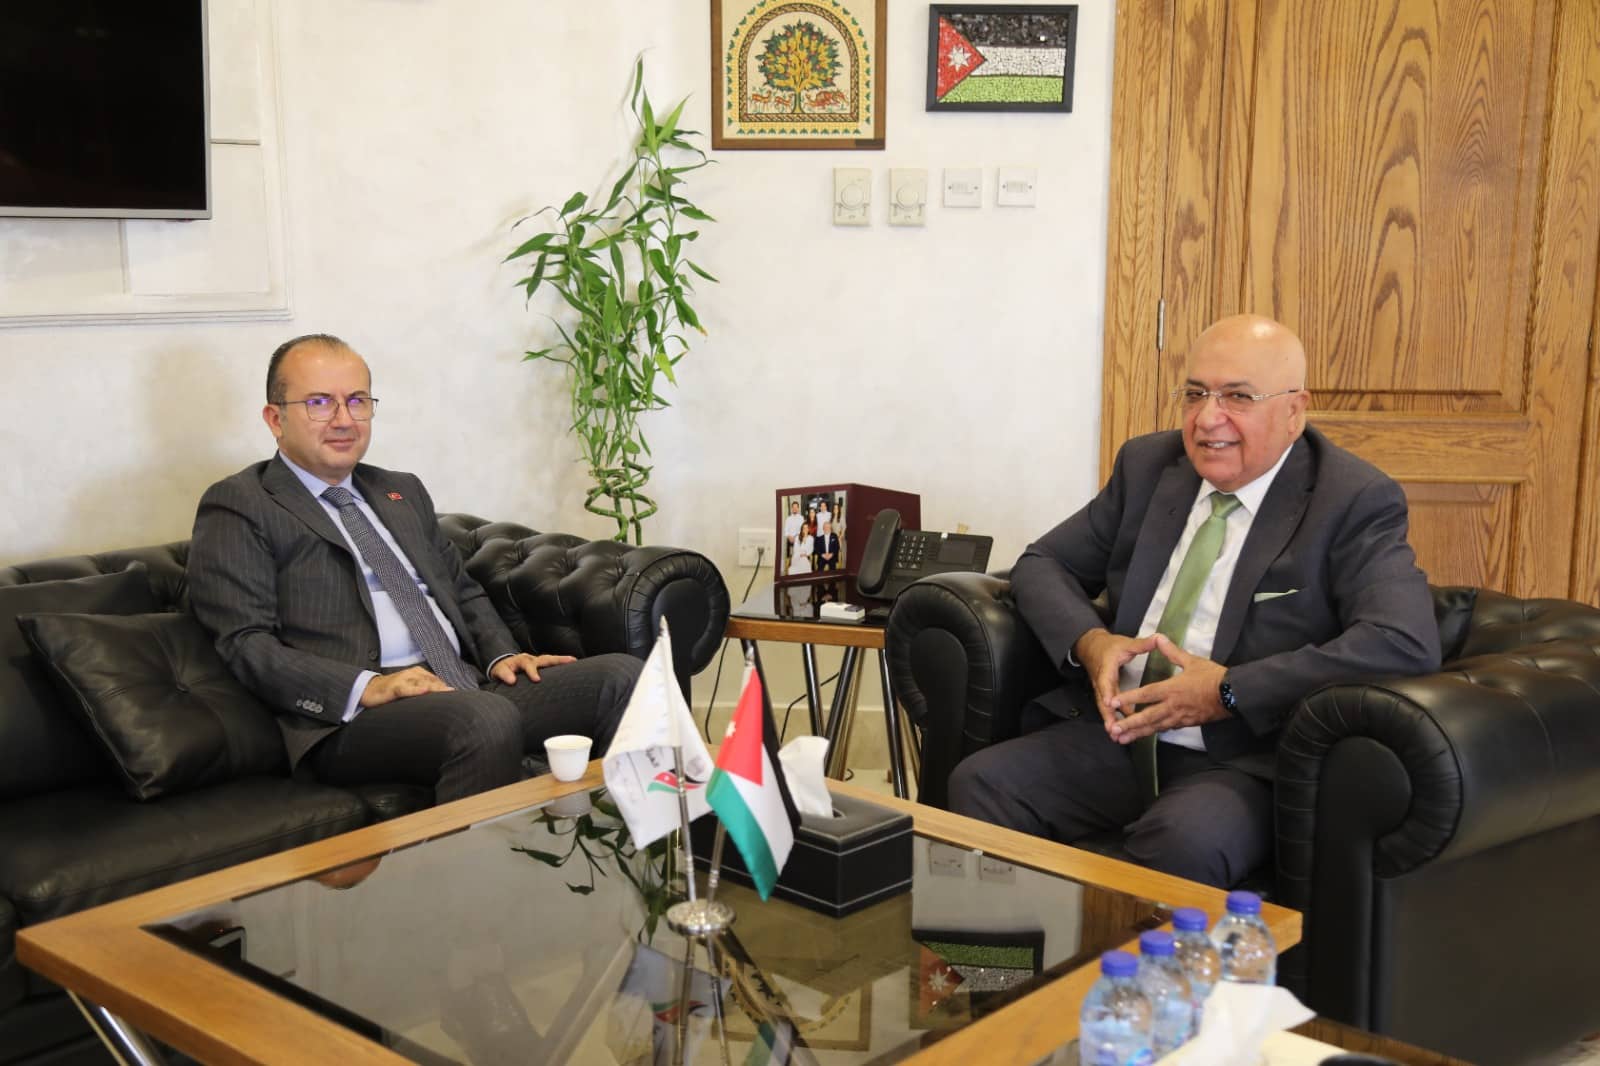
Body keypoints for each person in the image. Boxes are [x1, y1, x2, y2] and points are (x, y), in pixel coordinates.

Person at [948, 314, 1440, 887]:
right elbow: (1042, 563)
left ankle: (1111, 953)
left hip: (1240, 758)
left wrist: (1229, 690)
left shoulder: (1352, 499)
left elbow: (1402, 640)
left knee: (1183, 841)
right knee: (981, 785)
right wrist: (1092, 642)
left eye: (1238, 397)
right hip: (1120, 733)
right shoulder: (1149, 466)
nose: (1208, 419)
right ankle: (1011, 948)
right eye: (1195, 394)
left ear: (1294, 410)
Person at [187, 334, 641, 805]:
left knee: (626, 678)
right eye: (319, 403)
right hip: (353, 717)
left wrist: (501, 655)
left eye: (357, 401)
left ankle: (629, 844)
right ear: (275, 418)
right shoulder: (241, 503)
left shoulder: (400, 491)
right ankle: (478, 856)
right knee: (482, 718)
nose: (343, 419)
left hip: (463, 686)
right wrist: (370, 686)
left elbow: (460, 588)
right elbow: (245, 642)